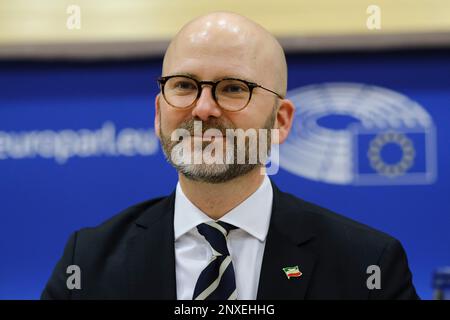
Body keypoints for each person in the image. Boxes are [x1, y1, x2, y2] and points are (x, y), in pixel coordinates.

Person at [41, 11, 419, 300]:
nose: (203, 108)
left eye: (234, 88)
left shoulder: (368, 265)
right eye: (185, 85)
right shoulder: (88, 263)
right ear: (159, 114)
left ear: (281, 121)